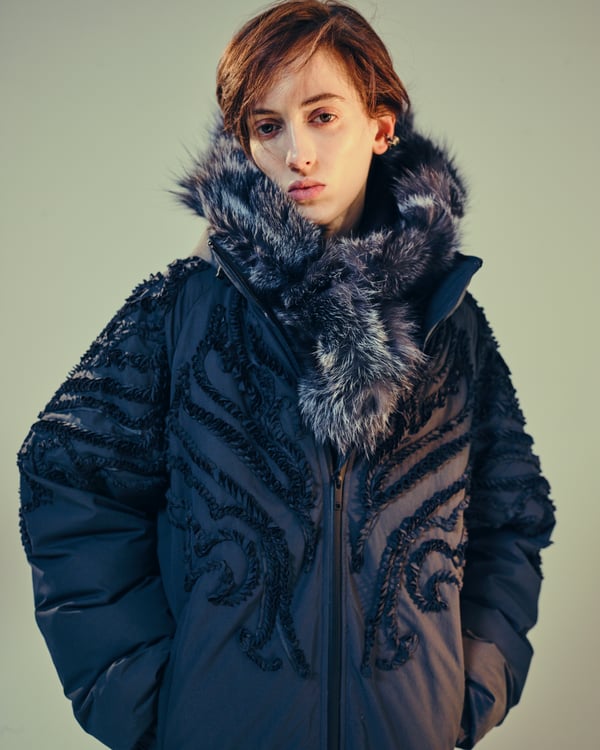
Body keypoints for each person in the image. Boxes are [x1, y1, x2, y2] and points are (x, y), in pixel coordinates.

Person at [17, 1, 555, 749]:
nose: (298, 152)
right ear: (244, 144)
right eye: (267, 127)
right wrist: (143, 702)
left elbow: (512, 515)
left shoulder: (451, 327)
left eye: (323, 116)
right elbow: (65, 479)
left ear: (381, 125)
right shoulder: (181, 311)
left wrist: (469, 690)